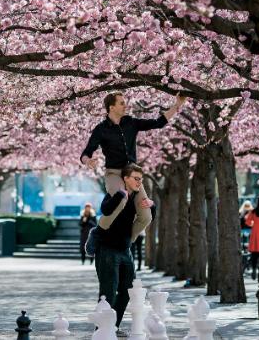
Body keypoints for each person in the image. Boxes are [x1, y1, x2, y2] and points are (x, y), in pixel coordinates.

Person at [80, 92, 186, 237]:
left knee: (146, 216)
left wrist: (177, 105)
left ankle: (126, 242)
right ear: (111, 107)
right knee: (121, 200)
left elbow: (158, 123)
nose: (126, 105)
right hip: (114, 173)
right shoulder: (101, 129)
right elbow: (86, 152)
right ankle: (98, 233)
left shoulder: (131, 122)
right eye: (121, 103)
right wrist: (88, 161)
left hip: (132, 175)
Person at [94, 164, 155, 337]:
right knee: (108, 291)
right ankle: (101, 331)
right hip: (107, 250)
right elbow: (104, 209)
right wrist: (120, 196)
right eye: (136, 179)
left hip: (125, 250)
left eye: (141, 180)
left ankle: (113, 326)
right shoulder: (115, 195)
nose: (139, 182)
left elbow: (146, 218)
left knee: (128, 290)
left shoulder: (136, 199)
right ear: (125, 179)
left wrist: (152, 206)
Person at [245, 195, 259, 280]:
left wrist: (253, 224)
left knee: (254, 254)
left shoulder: (253, 211)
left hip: (255, 234)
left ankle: (254, 269)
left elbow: (247, 221)